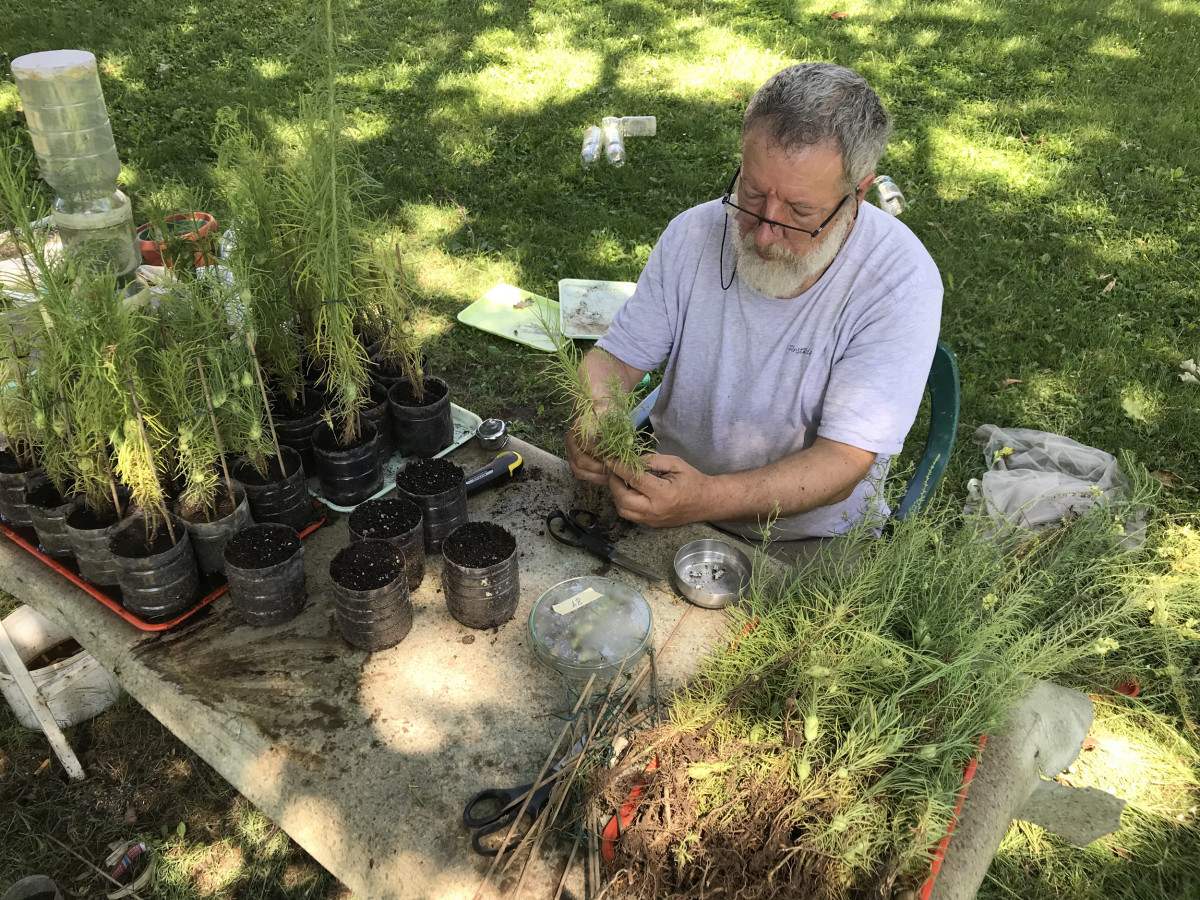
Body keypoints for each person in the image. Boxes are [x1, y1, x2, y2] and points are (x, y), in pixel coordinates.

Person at [565, 63, 943, 562]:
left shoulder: (899, 283)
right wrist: (595, 413)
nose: (763, 233)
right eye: (752, 192)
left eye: (799, 212)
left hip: (807, 537)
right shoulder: (693, 234)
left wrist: (707, 497)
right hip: (665, 497)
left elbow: (842, 463)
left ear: (857, 194)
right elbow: (615, 360)